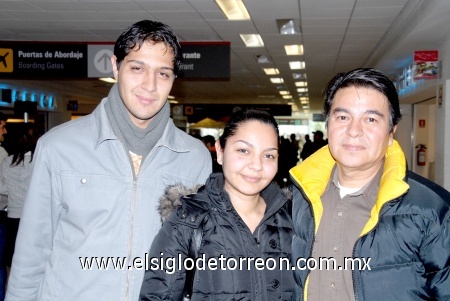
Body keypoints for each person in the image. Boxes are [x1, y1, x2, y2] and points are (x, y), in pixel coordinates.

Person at [6, 20, 212, 301]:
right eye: (137, 68)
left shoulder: (194, 157)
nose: (149, 86)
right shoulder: (58, 147)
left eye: (163, 73)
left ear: (174, 79)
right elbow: (32, 252)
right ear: (116, 67)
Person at [290, 68, 450, 300]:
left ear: (391, 132)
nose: (354, 131)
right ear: (328, 125)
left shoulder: (432, 210)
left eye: (371, 119)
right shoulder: (301, 198)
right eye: (343, 117)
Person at [140, 109, 294, 300]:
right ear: (220, 151)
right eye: (243, 151)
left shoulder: (292, 220)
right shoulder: (187, 222)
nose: (256, 165)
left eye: (268, 155)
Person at [0, 123, 38, 290]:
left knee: (11, 264)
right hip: (34, 218)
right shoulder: (38, 161)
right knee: (34, 265)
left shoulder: (7, 161)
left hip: (13, 218)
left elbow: (2, 188)